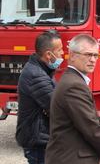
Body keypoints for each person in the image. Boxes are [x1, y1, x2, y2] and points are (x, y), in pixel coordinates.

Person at [45, 34, 100, 163]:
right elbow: (90, 125)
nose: (93, 60)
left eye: (95, 55)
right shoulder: (74, 85)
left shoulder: (72, 80)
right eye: (87, 55)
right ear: (72, 56)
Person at [16, 31, 64, 164]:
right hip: (39, 143)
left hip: (42, 139)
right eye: (59, 50)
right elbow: (58, 108)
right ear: (48, 54)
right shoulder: (37, 76)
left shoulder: (43, 71)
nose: (62, 54)